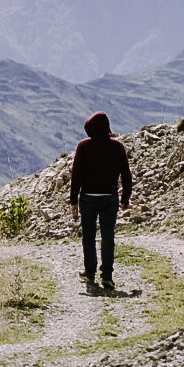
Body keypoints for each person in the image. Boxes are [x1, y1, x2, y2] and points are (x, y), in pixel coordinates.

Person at [70, 111, 132, 292]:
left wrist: (73, 200)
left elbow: (77, 176)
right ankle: (107, 276)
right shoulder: (118, 147)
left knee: (88, 236)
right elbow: (126, 174)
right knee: (108, 236)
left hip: (88, 197)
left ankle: (90, 273)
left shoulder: (83, 146)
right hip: (110, 198)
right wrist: (125, 198)